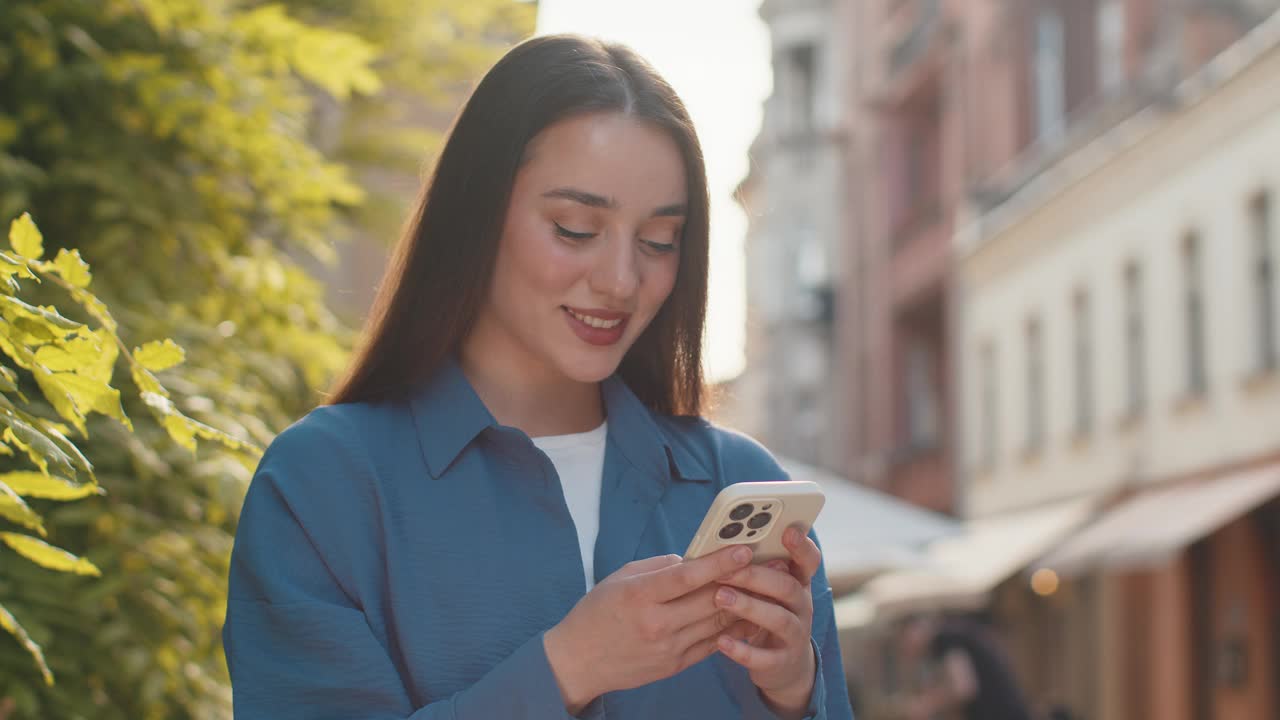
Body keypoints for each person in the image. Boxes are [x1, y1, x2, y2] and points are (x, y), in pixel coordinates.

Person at [222, 34, 854, 720]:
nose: (621, 281)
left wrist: (794, 695)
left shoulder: (736, 484)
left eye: (658, 242)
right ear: (478, 213)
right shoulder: (324, 484)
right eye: (576, 228)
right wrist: (570, 666)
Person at [896, 614, 1034, 720]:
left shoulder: (946, 639)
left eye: (904, 642)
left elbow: (962, 688)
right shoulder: (951, 637)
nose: (907, 650)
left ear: (913, 631)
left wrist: (926, 704)